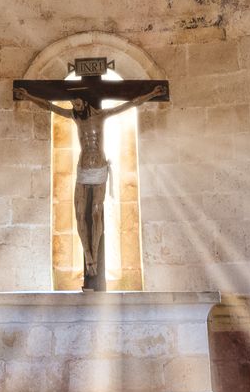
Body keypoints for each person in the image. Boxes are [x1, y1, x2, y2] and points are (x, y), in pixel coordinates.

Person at [13, 74, 167, 290]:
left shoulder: (101, 115)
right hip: (84, 169)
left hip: (99, 168)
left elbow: (129, 104)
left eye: (77, 103)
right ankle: (88, 256)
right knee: (79, 214)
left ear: (85, 102)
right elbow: (49, 107)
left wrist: (151, 94)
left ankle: (94, 254)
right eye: (73, 104)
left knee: (95, 212)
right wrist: (28, 96)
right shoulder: (75, 117)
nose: (75, 107)